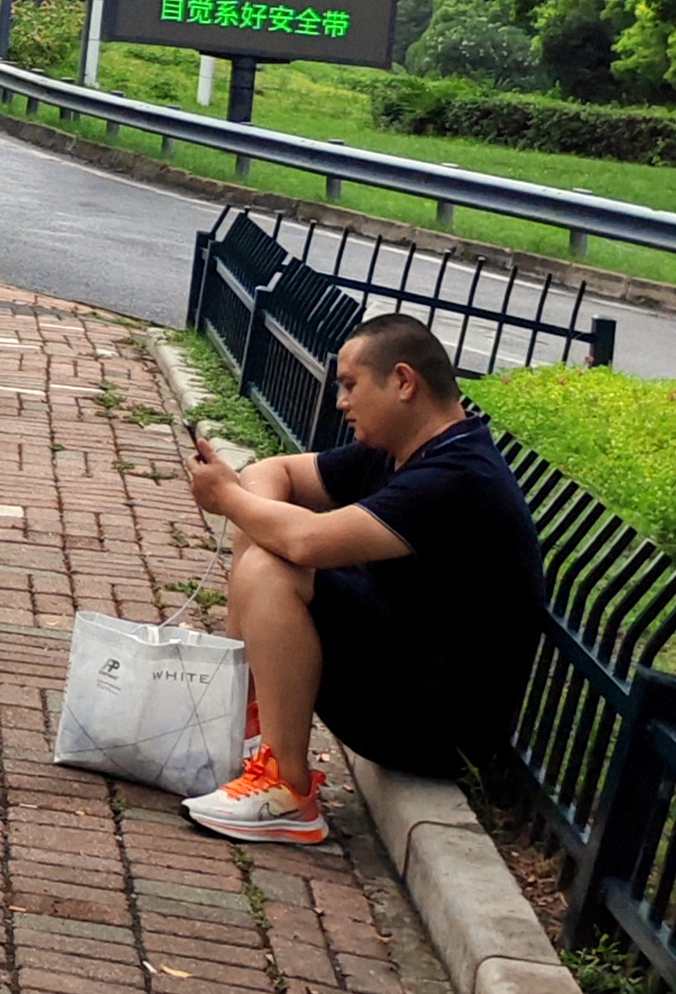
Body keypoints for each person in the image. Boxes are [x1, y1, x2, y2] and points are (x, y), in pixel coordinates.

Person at [178, 313, 546, 843]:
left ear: (402, 382)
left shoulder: (459, 477)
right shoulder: (404, 450)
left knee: (270, 562)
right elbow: (276, 472)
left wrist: (229, 498)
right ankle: (246, 727)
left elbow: (305, 542)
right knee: (266, 535)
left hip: (435, 727)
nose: (341, 402)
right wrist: (249, 504)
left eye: (350, 385)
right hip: (402, 671)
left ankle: (286, 790)